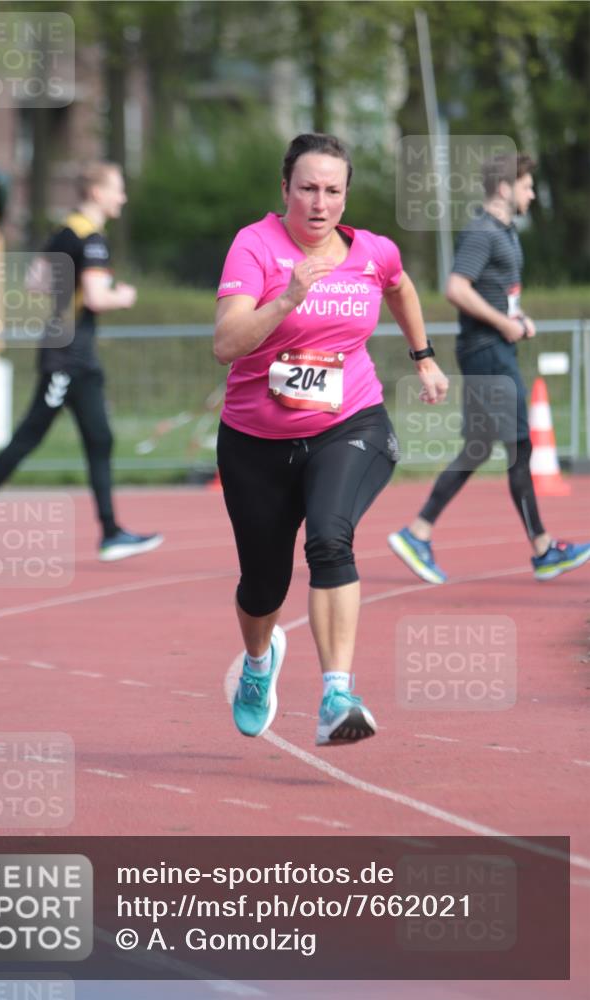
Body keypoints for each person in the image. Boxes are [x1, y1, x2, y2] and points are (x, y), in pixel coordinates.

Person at [214, 133, 448, 746]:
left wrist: (423, 357)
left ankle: (336, 695)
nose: (320, 203)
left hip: (349, 423)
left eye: (333, 191)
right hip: (255, 439)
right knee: (262, 587)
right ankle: (259, 664)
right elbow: (226, 345)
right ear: (285, 189)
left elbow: (399, 286)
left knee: (329, 539)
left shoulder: (371, 251)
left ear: (347, 194)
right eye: (308, 189)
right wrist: (289, 295)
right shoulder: (254, 246)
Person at [0, 161, 163, 565]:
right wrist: (124, 296)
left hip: (78, 354)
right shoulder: (92, 238)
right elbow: (97, 297)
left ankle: (111, 532)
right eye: (117, 189)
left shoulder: (66, 231)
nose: (123, 196)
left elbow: (35, 280)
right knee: (30, 436)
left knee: (100, 438)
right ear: (97, 192)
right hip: (67, 355)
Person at [388, 153, 590, 584]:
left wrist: (518, 319)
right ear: (504, 187)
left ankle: (418, 531)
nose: (532, 192)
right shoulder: (481, 232)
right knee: (520, 446)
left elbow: (501, 294)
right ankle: (542, 547)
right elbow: (455, 288)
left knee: (479, 447)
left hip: (496, 347)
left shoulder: (505, 231)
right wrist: (502, 324)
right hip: (486, 353)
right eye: (526, 185)